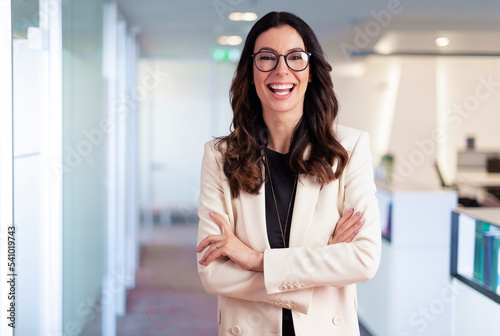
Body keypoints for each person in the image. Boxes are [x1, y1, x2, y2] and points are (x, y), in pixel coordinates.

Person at [195, 11, 381, 336]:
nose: (281, 70)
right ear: (251, 73)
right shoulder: (220, 157)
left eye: (295, 57)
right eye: (267, 58)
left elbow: (364, 258)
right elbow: (213, 272)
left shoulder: (349, 149)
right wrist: (324, 261)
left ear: (311, 73)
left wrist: (256, 261)